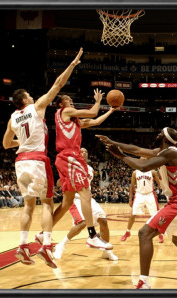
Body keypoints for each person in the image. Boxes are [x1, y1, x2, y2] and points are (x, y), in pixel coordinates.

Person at [96, 127, 177, 289]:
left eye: (161, 132)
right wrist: (112, 142)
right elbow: (137, 150)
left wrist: (121, 156)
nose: (158, 133)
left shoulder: (170, 153)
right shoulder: (163, 152)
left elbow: (143, 166)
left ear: (165, 137)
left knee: (144, 233)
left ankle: (144, 282)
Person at [2, 47, 83, 269]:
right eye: (29, 94)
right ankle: (46, 246)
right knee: (47, 203)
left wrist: (22, 142)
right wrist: (73, 64)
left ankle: (22, 246)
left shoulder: (12, 119)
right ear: (25, 100)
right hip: (38, 160)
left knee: (28, 207)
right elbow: (58, 84)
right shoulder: (37, 107)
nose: (32, 95)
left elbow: (6, 144)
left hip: (21, 163)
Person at [36, 88, 117, 252]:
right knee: (86, 194)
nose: (70, 100)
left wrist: (111, 110)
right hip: (71, 157)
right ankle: (93, 235)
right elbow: (93, 113)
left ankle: (44, 233)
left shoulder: (73, 120)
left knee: (66, 202)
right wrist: (98, 100)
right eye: (67, 98)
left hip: (64, 159)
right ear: (60, 104)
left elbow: (96, 121)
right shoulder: (65, 111)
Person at [53, 148, 118, 261]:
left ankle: (107, 252)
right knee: (82, 223)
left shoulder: (90, 169)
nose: (84, 153)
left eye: (86, 152)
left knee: (103, 221)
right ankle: (61, 245)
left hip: (88, 199)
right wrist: (63, 179)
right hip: (75, 198)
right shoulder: (71, 166)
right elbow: (59, 183)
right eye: (81, 151)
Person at [121, 166, 164, 243]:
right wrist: (130, 199)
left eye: (145, 159)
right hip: (139, 194)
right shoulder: (135, 172)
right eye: (142, 159)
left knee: (155, 215)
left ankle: (160, 234)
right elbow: (132, 186)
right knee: (133, 214)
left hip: (150, 194)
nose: (143, 160)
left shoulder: (152, 172)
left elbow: (160, 184)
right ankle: (127, 232)